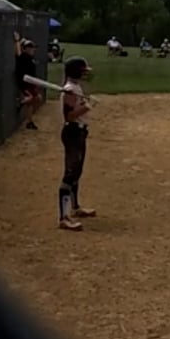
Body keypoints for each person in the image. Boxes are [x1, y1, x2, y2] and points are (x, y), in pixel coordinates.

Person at [57, 57, 95, 232]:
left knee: (77, 171)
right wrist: (87, 107)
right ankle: (64, 218)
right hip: (73, 133)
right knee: (70, 173)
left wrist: (84, 103)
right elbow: (69, 116)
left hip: (79, 132)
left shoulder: (75, 87)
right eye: (83, 70)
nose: (85, 73)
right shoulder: (70, 90)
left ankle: (75, 207)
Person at [14, 36, 41, 131]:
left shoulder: (30, 58)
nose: (33, 49)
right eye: (30, 48)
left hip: (30, 82)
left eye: (33, 48)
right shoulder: (23, 57)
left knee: (35, 100)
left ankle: (29, 122)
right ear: (25, 49)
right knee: (31, 98)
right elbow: (18, 52)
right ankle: (20, 103)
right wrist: (17, 40)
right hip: (24, 82)